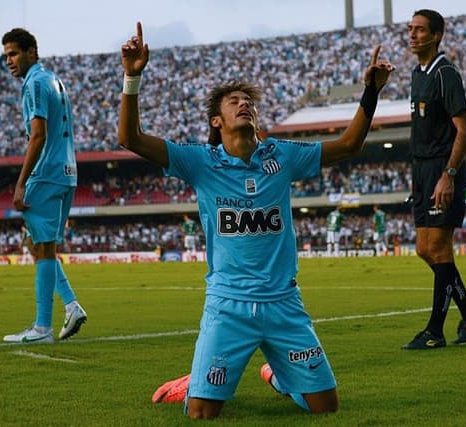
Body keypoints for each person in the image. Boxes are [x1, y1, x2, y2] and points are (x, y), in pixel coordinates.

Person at [118, 21, 394, 419]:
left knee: (326, 408)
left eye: (248, 100)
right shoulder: (200, 162)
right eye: (233, 101)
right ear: (217, 121)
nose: (243, 103)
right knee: (201, 413)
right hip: (227, 307)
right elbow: (130, 139)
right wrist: (132, 76)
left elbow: (350, 145)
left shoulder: (281, 157)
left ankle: (280, 376)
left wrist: (372, 90)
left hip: (284, 303)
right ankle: (197, 381)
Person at [402, 10, 466, 350]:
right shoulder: (416, 74)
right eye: (410, 29)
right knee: (425, 249)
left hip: (442, 168)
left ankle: (434, 331)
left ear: (437, 35)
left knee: (438, 248)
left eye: (420, 30)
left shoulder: (445, 74)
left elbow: (465, 131)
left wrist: (448, 175)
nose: (413, 35)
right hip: (422, 171)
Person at [1, 28, 87, 344]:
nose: (9, 61)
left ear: (31, 51)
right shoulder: (54, 80)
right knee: (36, 243)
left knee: (42, 245)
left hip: (46, 173)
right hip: (67, 172)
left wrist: (21, 183)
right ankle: (71, 305)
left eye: (13, 53)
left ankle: (42, 328)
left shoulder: (35, 83)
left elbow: (38, 135)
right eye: (6, 55)